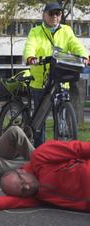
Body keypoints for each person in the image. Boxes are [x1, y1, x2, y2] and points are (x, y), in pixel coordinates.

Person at [0, 139, 90, 215]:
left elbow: (79, 148)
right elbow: (9, 202)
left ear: (22, 171)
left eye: (22, 182)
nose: (27, 186)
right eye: (23, 191)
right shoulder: (37, 196)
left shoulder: (41, 156)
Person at [23, 2, 89, 147]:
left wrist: (84, 56)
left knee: (61, 118)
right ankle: (39, 151)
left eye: (58, 14)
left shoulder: (66, 30)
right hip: (41, 81)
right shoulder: (36, 32)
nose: (55, 17)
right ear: (44, 15)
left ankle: (61, 149)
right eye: (51, 14)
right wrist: (30, 57)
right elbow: (30, 46)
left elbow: (75, 44)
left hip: (60, 78)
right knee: (40, 121)